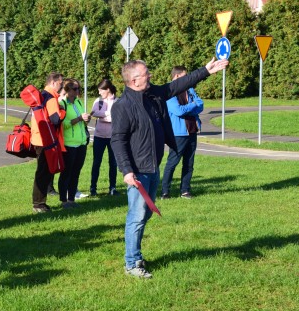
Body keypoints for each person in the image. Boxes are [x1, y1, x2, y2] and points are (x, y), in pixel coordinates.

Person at [111, 58, 228, 279]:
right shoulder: (122, 106)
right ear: (134, 80)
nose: (151, 75)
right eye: (147, 73)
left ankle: (135, 255)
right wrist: (126, 170)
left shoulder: (152, 94)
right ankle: (131, 263)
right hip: (137, 171)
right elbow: (118, 140)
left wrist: (206, 71)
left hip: (152, 166)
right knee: (136, 216)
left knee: (144, 214)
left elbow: (176, 86)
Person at [161, 66, 204, 200]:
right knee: (172, 162)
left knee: (189, 163)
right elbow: (178, 111)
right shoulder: (169, 91)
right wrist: (192, 105)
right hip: (178, 133)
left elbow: (201, 105)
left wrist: (190, 107)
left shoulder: (190, 89)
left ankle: (185, 190)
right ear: (177, 77)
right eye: (185, 76)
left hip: (192, 131)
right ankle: (165, 191)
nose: (188, 78)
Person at [31, 72, 65, 213]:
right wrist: (63, 110)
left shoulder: (41, 96)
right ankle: (39, 204)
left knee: (42, 171)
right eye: (60, 83)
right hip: (46, 140)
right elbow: (56, 119)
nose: (61, 85)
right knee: (43, 172)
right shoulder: (51, 98)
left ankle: (39, 202)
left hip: (38, 138)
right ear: (53, 83)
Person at [58, 79, 91, 209]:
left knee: (76, 172)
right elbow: (63, 124)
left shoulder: (78, 101)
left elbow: (84, 122)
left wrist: (86, 119)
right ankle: (63, 200)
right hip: (69, 144)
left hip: (81, 142)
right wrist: (79, 118)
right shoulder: (62, 103)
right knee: (66, 173)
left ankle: (71, 199)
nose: (78, 91)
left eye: (79, 89)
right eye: (75, 89)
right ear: (67, 90)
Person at [89, 78, 118, 196]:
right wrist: (107, 114)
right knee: (96, 162)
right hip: (99, 136)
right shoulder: (98, 100)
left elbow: (117, 118)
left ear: (108, 89)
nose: (99, 93)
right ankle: (93, 188)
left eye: (101, 90)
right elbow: (94, 113)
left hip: (113, 137)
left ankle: (113, 188)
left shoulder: (118, 101)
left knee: (113, 163)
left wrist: (104, 116)